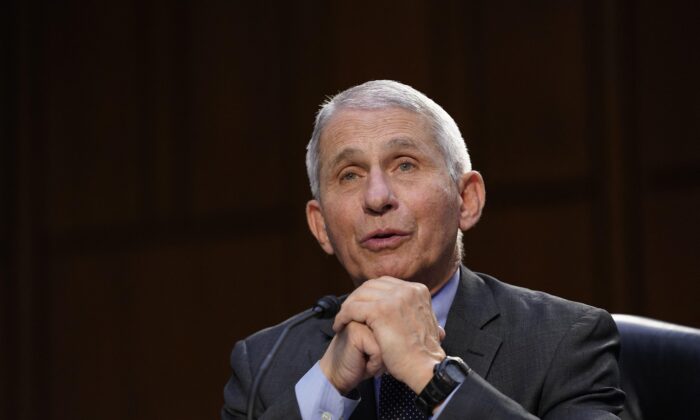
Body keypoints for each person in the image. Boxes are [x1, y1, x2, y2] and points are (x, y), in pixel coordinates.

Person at [222, 80, 625, 419]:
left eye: (405, 165)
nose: (377, 197)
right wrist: (326, 385)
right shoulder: (264, 364)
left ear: (466, 199)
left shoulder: (563, 341)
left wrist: (430, 374)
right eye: (350, 174)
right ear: (321, 226)